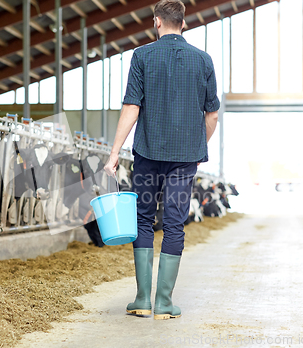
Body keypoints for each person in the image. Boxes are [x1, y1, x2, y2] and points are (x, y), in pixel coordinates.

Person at [103, 0, 220, 320]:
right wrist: (196, 147)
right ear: (183, 22)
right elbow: (212, 115)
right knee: (174, 223)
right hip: (185, 160)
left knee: (142, 219)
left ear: (157, 22)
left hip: (147, 156)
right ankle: (165, 303)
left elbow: (131, 107)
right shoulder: (204, 60)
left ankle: (142, 299)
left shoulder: (142, 56)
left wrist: (114, 153)